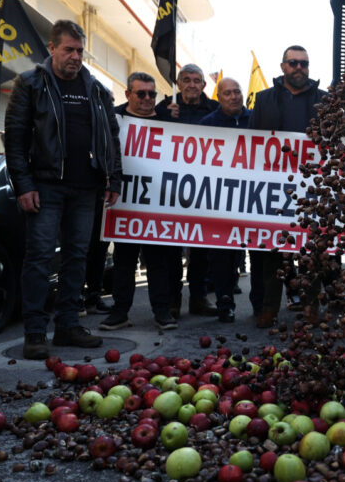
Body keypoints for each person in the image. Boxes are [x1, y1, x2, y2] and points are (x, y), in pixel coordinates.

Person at [4, 20, 122, 359]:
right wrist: (23, 185)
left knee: (77, 257)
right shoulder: (31, 83)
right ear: (52, 48)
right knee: (40, 258)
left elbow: (111, 137)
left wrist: (114, 178)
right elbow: (14, 139)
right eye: (68, 49)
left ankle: (68, 325)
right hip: (45, 186)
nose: (75, 56)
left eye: (80, 51)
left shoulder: (97, 88)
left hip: (86, 189)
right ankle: (35, 332)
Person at [249, 45, 327, 328]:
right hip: (273, 188)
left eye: (304, 63)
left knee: (312, 252)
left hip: (313, 187)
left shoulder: (324, 100)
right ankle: (269, 307)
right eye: (293, 63)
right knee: (273, 251)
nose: (299, 68)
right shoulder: (264, 99)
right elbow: (253, 140)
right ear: (283, 67)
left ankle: (310, 307)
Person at [99, 72, 182, 331]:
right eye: (141, 93)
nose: (148, 99)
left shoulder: (168, 120)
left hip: (156, 204)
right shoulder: (113, 118)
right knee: (124, 260)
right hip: (123, 201)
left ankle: (162, 311)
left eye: (152, 94)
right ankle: (120, 312)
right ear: (128, 95)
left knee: (157, 261)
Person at [157, 63, 220, 318]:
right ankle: (173, 299)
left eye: (197, 80)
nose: (192, 84)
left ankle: (199, 298)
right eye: (187, 80)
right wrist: (164, 117)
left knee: (201, 249)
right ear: (179, 84)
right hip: (172, 189)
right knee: (172, 249)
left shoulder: (215, 109)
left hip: (205, 189)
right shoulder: (164, 108)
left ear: (204, 85)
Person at [196, 77, 254, 323]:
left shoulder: (257, 120)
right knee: (223, 257)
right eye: (227, 93)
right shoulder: (207, 124)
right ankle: (225, 302)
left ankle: (260, 305)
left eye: (237, 91)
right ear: (218, 97)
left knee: (258, 254)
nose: (233, 97)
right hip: (221, 201)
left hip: (254, 198)